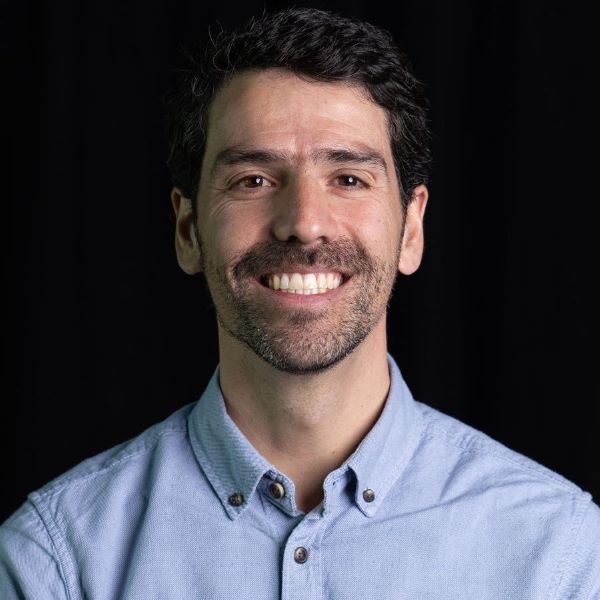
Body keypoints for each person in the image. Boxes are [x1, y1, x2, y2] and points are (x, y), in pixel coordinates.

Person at [1, 6, 599, 598]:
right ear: (188, 231)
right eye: (253, 180)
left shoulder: (560, 555)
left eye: (349, 179)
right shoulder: (58, 561)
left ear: (412, 230)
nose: (304, 223)